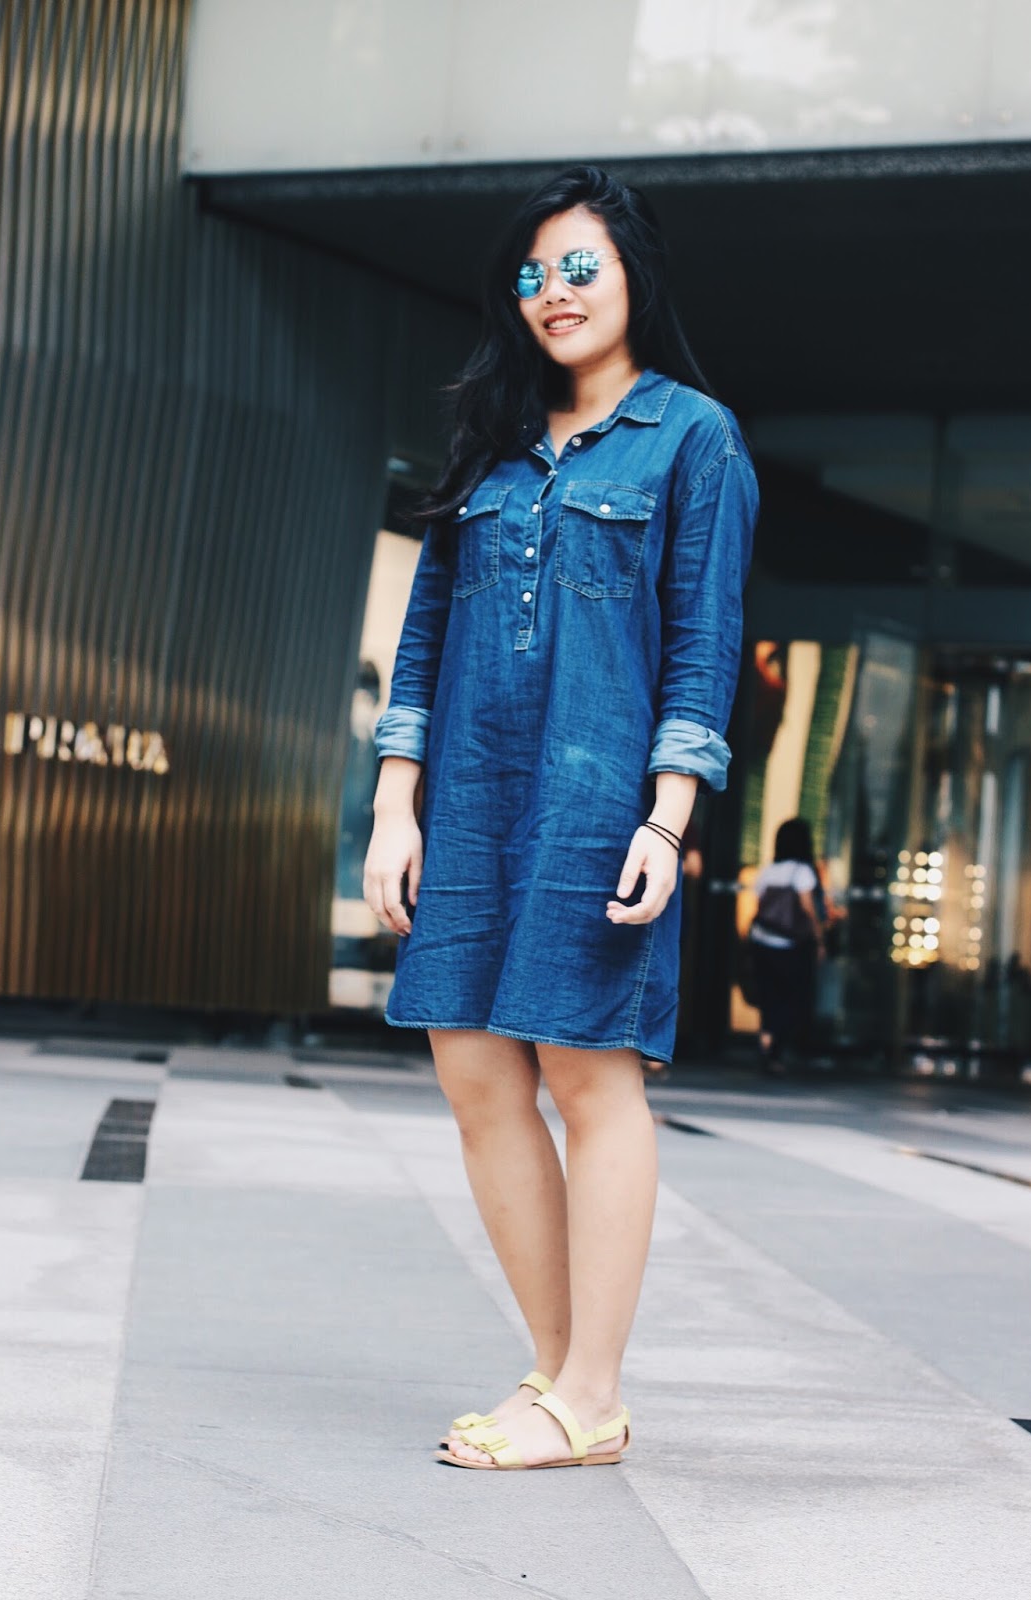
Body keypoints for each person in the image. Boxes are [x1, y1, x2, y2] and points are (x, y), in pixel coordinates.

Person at [363, 166, 758, 1471]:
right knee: (474, 1072)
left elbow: (702, 645)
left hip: (599, 805)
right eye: (532, 276)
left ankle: (592, 1391)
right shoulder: (488, 438)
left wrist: (667, 820)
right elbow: (421, 640)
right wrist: (395, 804)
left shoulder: (692, 437)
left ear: (635, 274)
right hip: (470, 800)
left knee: (590, 1076)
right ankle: (556, 1375)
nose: (553, 294)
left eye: (579, 267)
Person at [748, 817, 825, 1074]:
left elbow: (759, 905)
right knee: (790, 997)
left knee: (769, 995)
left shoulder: (768, 871)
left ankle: (766, 1040)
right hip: (789, 945)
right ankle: (775, 1049)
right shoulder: (802, 872)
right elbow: (807, 908)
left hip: (762, 940)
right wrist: (819, 938)